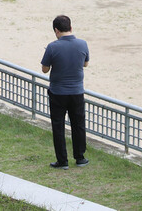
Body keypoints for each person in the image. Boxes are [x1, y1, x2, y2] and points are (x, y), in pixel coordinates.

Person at [41, 15, 89, 169]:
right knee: (78, 124)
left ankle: (62, 161)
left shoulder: (52, 47)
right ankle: (80, 157)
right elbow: (86, 63)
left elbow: (44, 69)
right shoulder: (82, 44)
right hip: (77, 91)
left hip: (58, 92)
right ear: (71, 28)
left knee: (58, 126)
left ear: (56, 30)